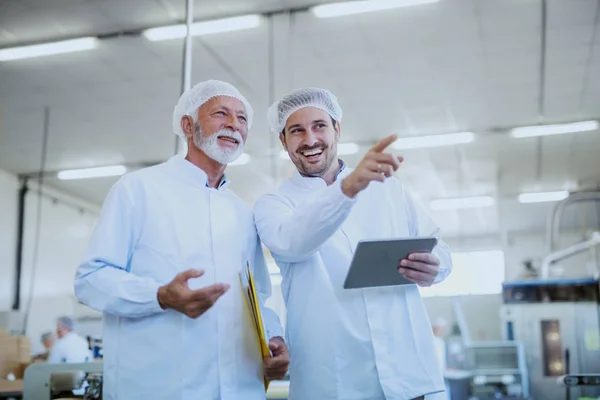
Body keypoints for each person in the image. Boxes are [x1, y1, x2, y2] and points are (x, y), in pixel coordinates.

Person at [75, 80, 288, 400]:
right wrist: (160, 295)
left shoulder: (242, 213)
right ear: (188, 125)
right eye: (221, 113)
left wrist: (274, 339)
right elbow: (90, 280)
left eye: (242, 118)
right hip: (158, 386)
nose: (234, 124)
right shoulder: (138, 190)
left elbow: (258, 296)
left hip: (240, 389)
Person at [254, 87, 453, 400]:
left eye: (319, 125)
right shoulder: (274, 204)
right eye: (296, 130)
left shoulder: (388, 189)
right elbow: (294, 242)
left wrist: (435, 267)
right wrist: (347, 189)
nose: (309, 140)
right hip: (334, 380)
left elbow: (439, 248)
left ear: (337, 128)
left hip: (405, 376)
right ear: (283, 140)